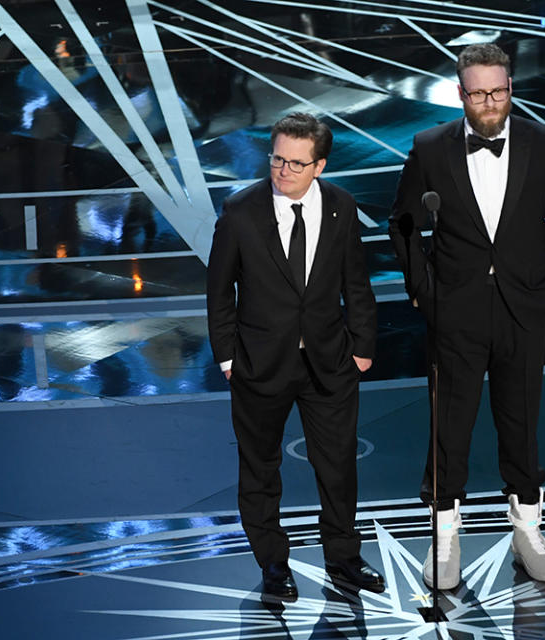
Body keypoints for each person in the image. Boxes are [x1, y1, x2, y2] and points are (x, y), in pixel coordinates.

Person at [388, 44, 545, 590]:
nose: (490, 102)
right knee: (449, 427)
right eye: (478, 93)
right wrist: (426, 293)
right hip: (455, 311)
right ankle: (445, 536)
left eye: (498, 91)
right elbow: (402, 225)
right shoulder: (429, 147)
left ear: (510, 88)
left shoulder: (543, 143)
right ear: (460, 94)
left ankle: (528, 532)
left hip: (526, 310)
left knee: (520, 425)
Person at [207, 112, 384, 599]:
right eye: (277, 159)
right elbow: (219, 292)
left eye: (296, 163)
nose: (283, 171)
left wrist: (362, 349)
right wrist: (228, 358)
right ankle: (273, 565)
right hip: (259, 365)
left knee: (338, 466)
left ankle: (344, 560)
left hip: (330, 361)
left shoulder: (341, 208)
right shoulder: (241, 212)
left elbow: (357, 283)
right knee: (260, 469)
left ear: (319, 165)